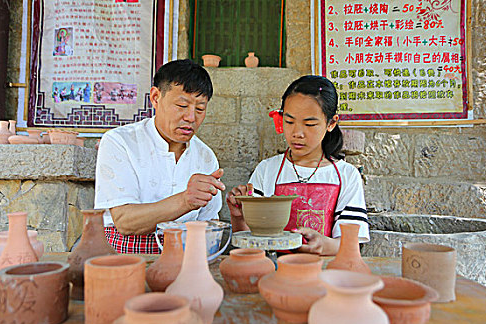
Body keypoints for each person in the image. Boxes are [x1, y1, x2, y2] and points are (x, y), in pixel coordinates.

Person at [226, 75, 369, 256]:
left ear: (331, 123)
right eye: (289, 122)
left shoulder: (346, 175)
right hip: (274, 272)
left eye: (309, 124)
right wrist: (238, 217)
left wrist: (323, 245)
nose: (297, 133)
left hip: (324, 274)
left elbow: (351, 245)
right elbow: (248, 245)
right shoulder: (267, 170)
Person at [94, 59, 225, 254]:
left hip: (186, 257)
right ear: (156, 97)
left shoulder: (205, 156)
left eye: (200, 108)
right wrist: (185, 201)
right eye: (182, 105)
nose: (191, 117)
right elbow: (124, 221)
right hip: (126, 259)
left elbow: (210, 224)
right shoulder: (120, 142)